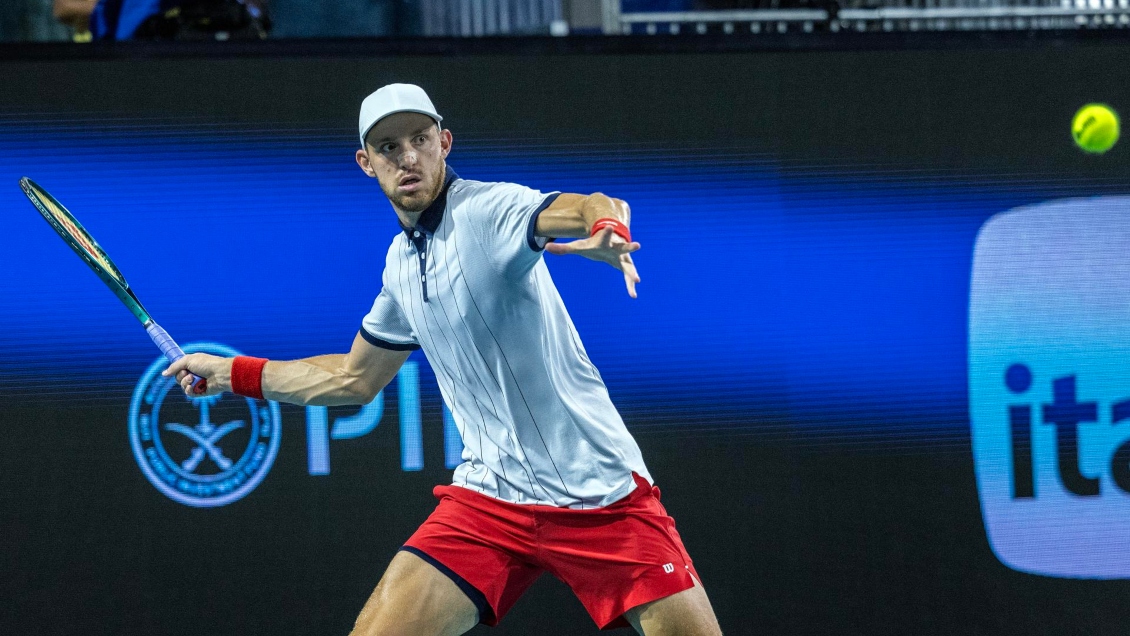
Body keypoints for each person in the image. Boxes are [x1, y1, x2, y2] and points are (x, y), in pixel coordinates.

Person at [163, 83, 723, 636]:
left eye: (419, 139)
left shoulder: (489, 210)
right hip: (490, 502)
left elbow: (584, 206)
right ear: (366, 163)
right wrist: (230, 374)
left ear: (444, 143)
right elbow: (353, 378)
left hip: (601, 494)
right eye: (388, 147)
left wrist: (606, 227)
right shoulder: (400, 265)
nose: (407, 157)